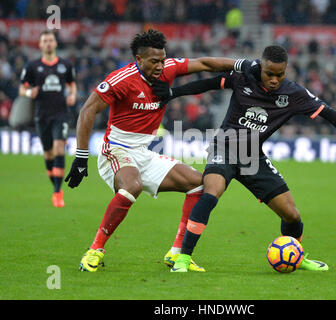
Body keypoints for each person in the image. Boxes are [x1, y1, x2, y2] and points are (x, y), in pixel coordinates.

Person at [153, 45, 336, 272]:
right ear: (261, 67)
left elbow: (327, 111)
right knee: (210, 193)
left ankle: (297, 255)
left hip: (251, 156)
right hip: (224, 147)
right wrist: (173, 93)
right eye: (270, 74)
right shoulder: (243, 75)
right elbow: (209, 83)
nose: (275, 80)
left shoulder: (294, 94)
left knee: (292, 215)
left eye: (280, 75)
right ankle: (183, 259)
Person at [64, 29, 251, 272]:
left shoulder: (169, 68)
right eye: (154, 61)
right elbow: (88, 110)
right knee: (132, 187)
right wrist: (80, 157)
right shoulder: (121, 79)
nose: (161, 66)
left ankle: (176, 253)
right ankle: (94, 250)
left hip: (143, 151)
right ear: (138, 60)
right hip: (117, 149)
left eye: (163, 60)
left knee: (199, 184)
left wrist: (243, 64)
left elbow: (205, 63)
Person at [19, 30, 77, 208]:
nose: (48, 43)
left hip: (61, 114)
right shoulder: (32, 66)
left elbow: (71, 84)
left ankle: (57, 193)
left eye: (51, 40)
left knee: (59, 147)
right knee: (48, 154)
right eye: (45, 41)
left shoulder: (65, 65)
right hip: (42, 115)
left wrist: (73, 95)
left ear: (55, 43)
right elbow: (22, 88)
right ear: (40, 45)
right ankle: (57, 187)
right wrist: (30, 92)